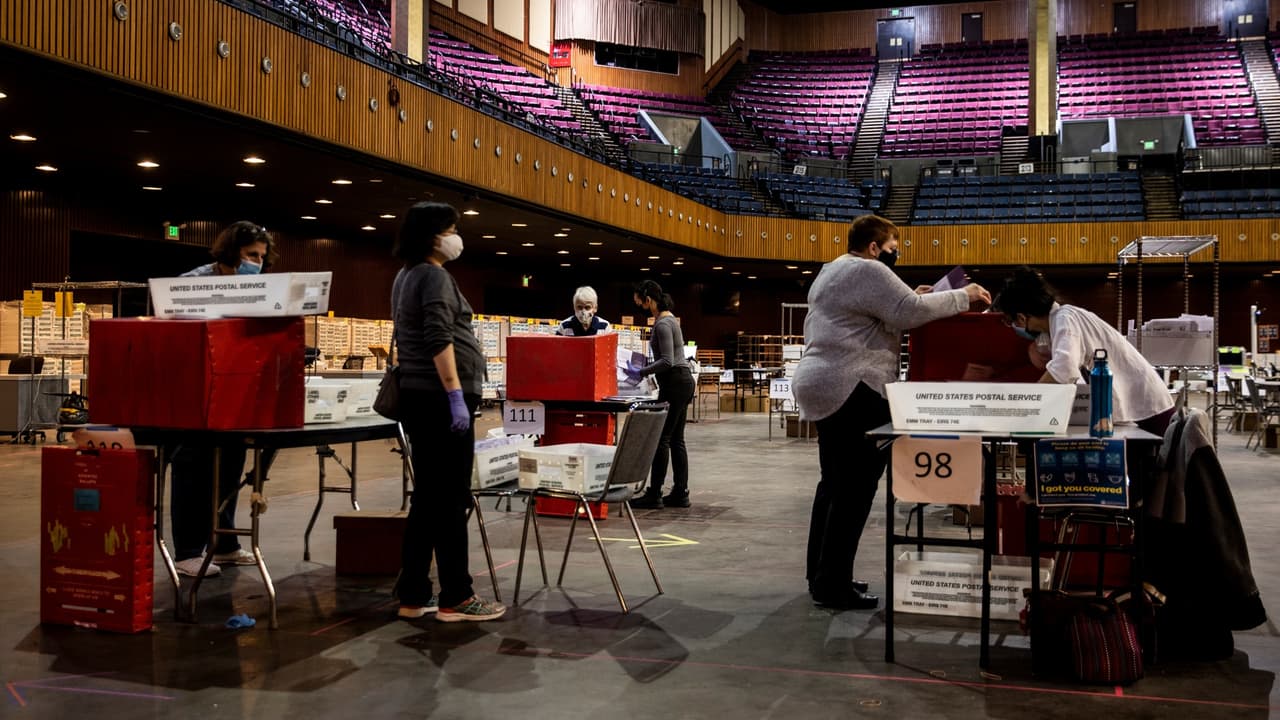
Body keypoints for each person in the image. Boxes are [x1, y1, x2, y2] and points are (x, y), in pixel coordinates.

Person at [792, 215, 991, 610]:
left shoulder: (833, 269)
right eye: (894, 248)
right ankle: (834, 585)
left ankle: (824, 576)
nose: (896, 255)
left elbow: (891, 309)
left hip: (822, 382)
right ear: (874, 247)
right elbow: (907, 312)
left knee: (832, 485)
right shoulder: (868, 269)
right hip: (853, 385)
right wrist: (963, 296)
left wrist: (912, 299)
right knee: (855, 490)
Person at [391, 201, 505, 622]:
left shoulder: (406, 275)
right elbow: (439, 337)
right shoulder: (434, 276)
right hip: (441, 400)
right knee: (451, 498)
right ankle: (456, 595)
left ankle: (413, 593)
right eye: (452, 229)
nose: (457, 237)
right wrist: (455, 393)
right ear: (433, 234)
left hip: (421, 397)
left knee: (427, 499)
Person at [169, 221, 276, 577]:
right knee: (194, 466)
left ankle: (225, 543)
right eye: (250, 255)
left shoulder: (256, 285)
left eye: (261, 257)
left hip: (234, 387)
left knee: (231, 463)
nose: (256, 263)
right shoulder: (194, 282)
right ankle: (187, 551)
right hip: (195, 389)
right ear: (231, 252)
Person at [992, 266, 1175, 437]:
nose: (1014, 327)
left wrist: (1028, 404)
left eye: (1011, 321)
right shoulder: (1059, 323)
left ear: (1022, 318)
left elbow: (1064, 369)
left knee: (1151, 467)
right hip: (1140, 405)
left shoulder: (1065, 319)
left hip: (1149, 407)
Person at [626, 280, 695, 509]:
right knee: (676, 439)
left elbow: (667, 361)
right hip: (682, 382)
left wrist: (642, 372)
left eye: (641, 303)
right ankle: (680, 492)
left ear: (649, 299)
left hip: (675, 382)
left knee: (662, 438)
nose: (641, 307)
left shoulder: (664, 323)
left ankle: (654, 493)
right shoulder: (670, 319)